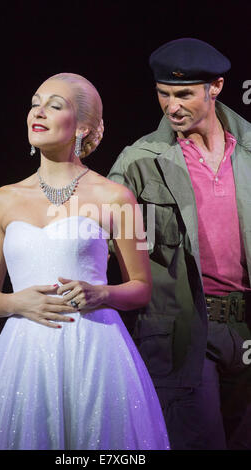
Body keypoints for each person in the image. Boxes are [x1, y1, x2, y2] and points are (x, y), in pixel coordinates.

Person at [0, 73, 170, 450]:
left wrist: (101, 293)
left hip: (95, 350)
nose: (38, 112)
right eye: (35, 102)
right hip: (23, 354)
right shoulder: (2, 200)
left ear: (83, 127)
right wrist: (15, 301)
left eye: (55, 106)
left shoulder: (117, 197)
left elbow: (141, 289)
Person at [107, 38, 251, 450]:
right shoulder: (139, 160)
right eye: (163, 94)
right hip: (183, 331)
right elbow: (99, 228)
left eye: (184, 94)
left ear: (216, 87)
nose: (172, 106)